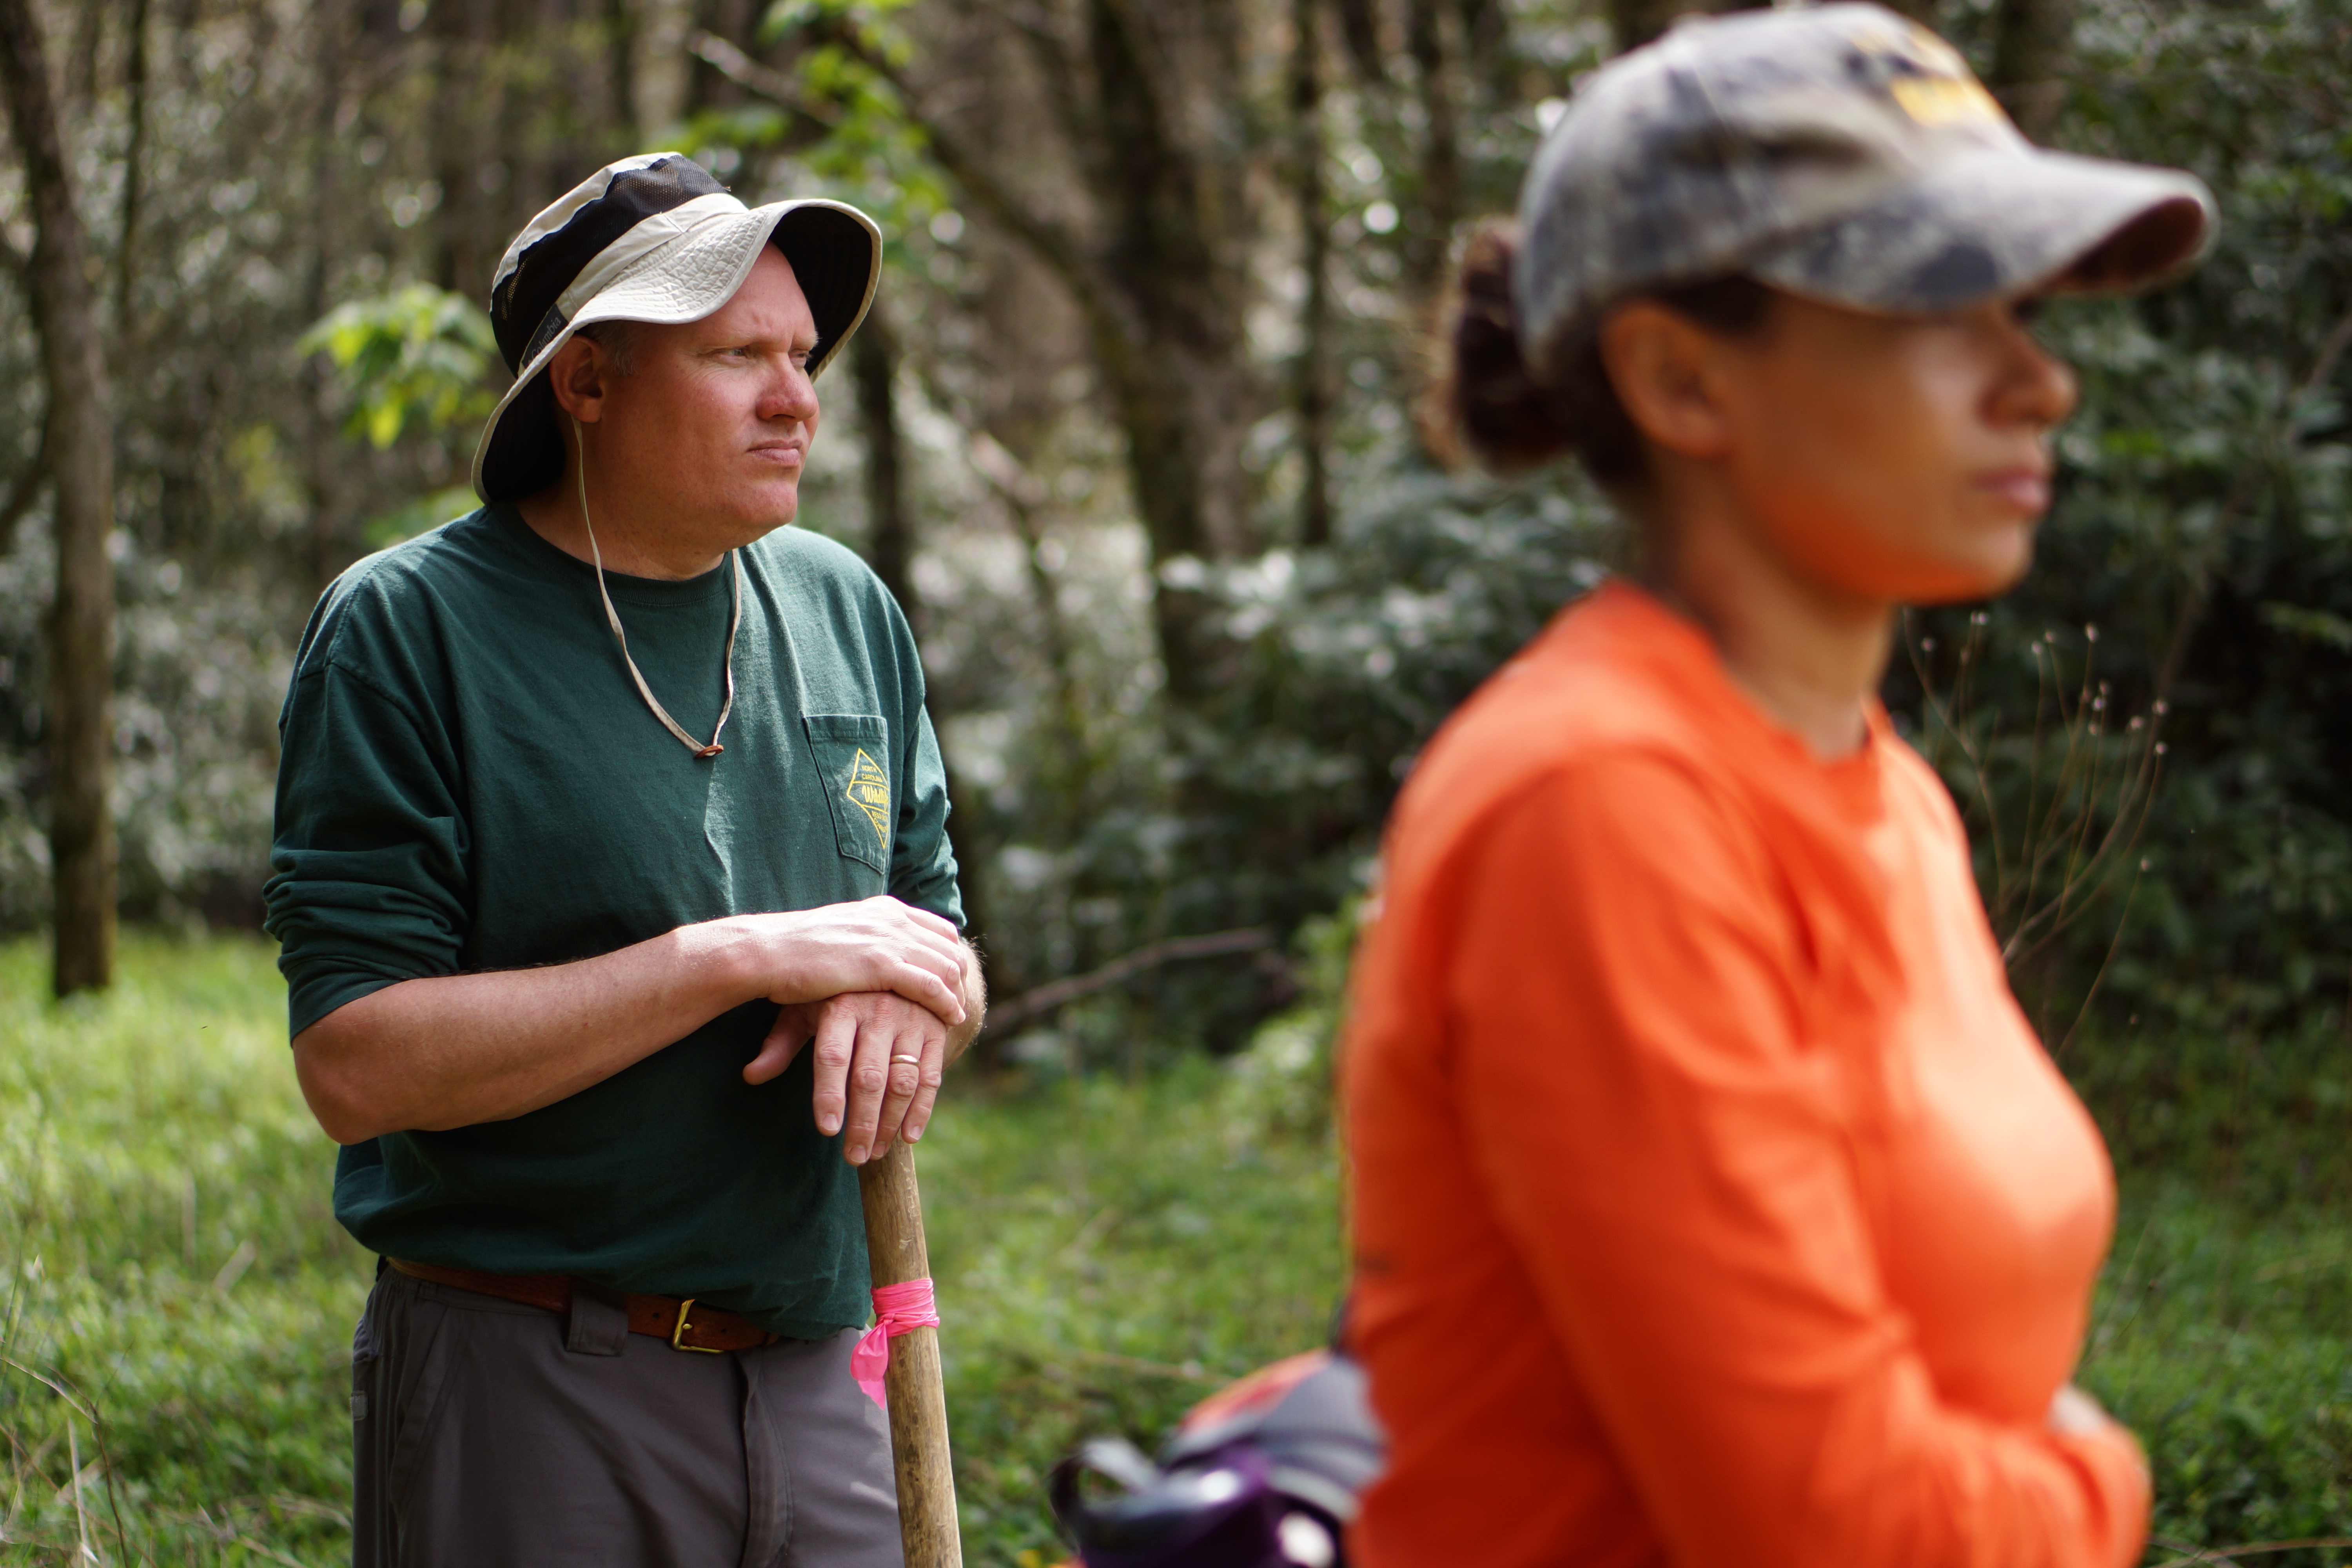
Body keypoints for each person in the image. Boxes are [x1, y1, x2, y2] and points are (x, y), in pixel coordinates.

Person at [1339, 8, 2214, 1566]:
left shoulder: (1885, 789)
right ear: (1682, 380)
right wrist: (2099, 1482)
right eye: (1946, 303)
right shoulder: (1599, 801)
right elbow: (1830, 1528)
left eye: (2026, 306)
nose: (2039, 382)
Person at [265, 152, 986, 1566]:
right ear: (583, 386)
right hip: (533, 1379)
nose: (796, 397)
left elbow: (932, 930)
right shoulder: (408, 631)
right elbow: (356, 1064)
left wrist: (907, 992)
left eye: (801, 353)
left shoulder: (846, 607)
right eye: (736, 357)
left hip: (829, 1381)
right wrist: (733, 958)